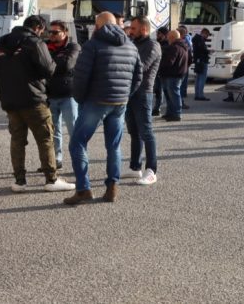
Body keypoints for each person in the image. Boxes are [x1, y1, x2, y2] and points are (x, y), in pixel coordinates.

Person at [64, 12, 142, 205]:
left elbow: (81, 76)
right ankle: (112, 187)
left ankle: (83, 189)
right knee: (113, 146)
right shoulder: (131, 46)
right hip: (119, 102)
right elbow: (138, 76)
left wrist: (80, 99)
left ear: (97, 26)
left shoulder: (92, 45)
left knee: (77, 143)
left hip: (95, 101)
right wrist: (125, 95)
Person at [0, 15, 74, 193]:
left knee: (17, 141)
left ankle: (20, 181)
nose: (44, 34)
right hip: (34, 100)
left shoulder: (0, 45)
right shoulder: (35, 43)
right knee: (45, 139)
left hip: (11, 103)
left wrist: (4, 98)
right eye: (43, 31)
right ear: (37, 27)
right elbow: (49, 68)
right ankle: (51, 179)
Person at [124, 16, 161, 186]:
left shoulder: (153, 45)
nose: (130, 31)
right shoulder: (133, 44)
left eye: (133, 28)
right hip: (130, 93)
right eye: (130, 28)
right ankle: (134, 167)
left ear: (144, 29)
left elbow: (142, 66)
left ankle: (151, 170)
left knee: (146, 132)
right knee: (134, 132)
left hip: (143, 93)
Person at [46, 20, 80, 170]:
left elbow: (67, 64)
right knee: (54, 130)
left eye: (55, 32)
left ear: (65, 32)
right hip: (50, 95)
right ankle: (57, 158)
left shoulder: (73, 47)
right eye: (50, 32)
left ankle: (78, 159)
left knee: (74, 130)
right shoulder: (45, 46)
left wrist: (50, 64)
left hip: (69, 95)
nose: (51, 35)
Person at [158, 29, 190, 122]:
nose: (167, 39)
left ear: (172, 37)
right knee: (171, 94)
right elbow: (190, 59)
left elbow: (169, 62)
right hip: (178, 73)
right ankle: (170, 113)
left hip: (172, 74)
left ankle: (176, 114)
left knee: (173, 94)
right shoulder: (184, 46)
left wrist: (159, 66)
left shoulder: (174, 47)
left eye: (168, 37)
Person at [151, 26, 169, 116]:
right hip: (157, 71)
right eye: (157, 33)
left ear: (164, 35)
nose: (157, 35)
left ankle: (158, 108)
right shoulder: (158, 43)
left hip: (163, 72)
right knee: (158, 91)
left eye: (159, 34)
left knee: (164, 90)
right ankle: (157, 108)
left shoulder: (166, 45)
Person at [191, 28, 211, 101]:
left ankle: (197, 94)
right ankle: (200, 95)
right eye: (207, 35)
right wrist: (208, 51)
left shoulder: (195, 39)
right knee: (202, 78)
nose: (207, 37)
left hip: (198, 60)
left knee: (198, 78)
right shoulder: (200, 40)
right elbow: (202, 50)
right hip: (202, 60)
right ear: (204, 33)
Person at [177, 25, 191, 107]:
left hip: (181, 68)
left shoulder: (182, 42)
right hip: (182, 68)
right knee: (179, 87)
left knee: (179, 87)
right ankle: (180, 103)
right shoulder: (185, 43)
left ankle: (180, 103)